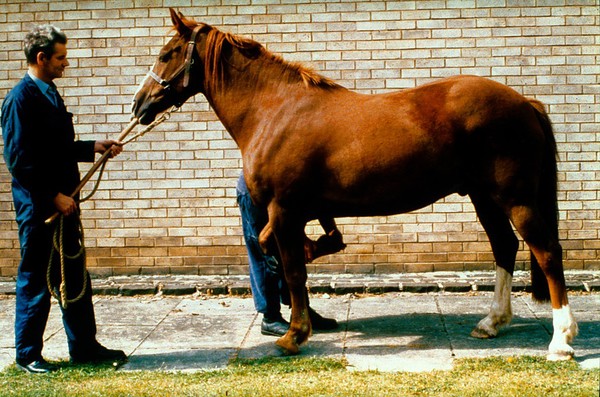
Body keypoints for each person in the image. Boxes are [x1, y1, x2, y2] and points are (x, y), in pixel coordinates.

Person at [1, 25, 126, 373]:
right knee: (36, 278)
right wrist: (51, 197)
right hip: (40, 210)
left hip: (66, 203)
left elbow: (56, 150)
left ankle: (84, 346)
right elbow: (19, 161)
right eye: (60, 57)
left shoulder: (50, 93)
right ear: (41, 58)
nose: (65, 63)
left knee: (74, 277)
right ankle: (27, 354)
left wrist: (92, 148)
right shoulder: (19, 101)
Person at [236, 173, 345, 336]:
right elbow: (286, 206)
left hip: (283, 195)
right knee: (266, 253)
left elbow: (319, 201)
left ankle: (301, 311)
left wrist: (332, 231)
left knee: (289, 253)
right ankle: (270, 318)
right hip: (256, 191)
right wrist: (301, 236)